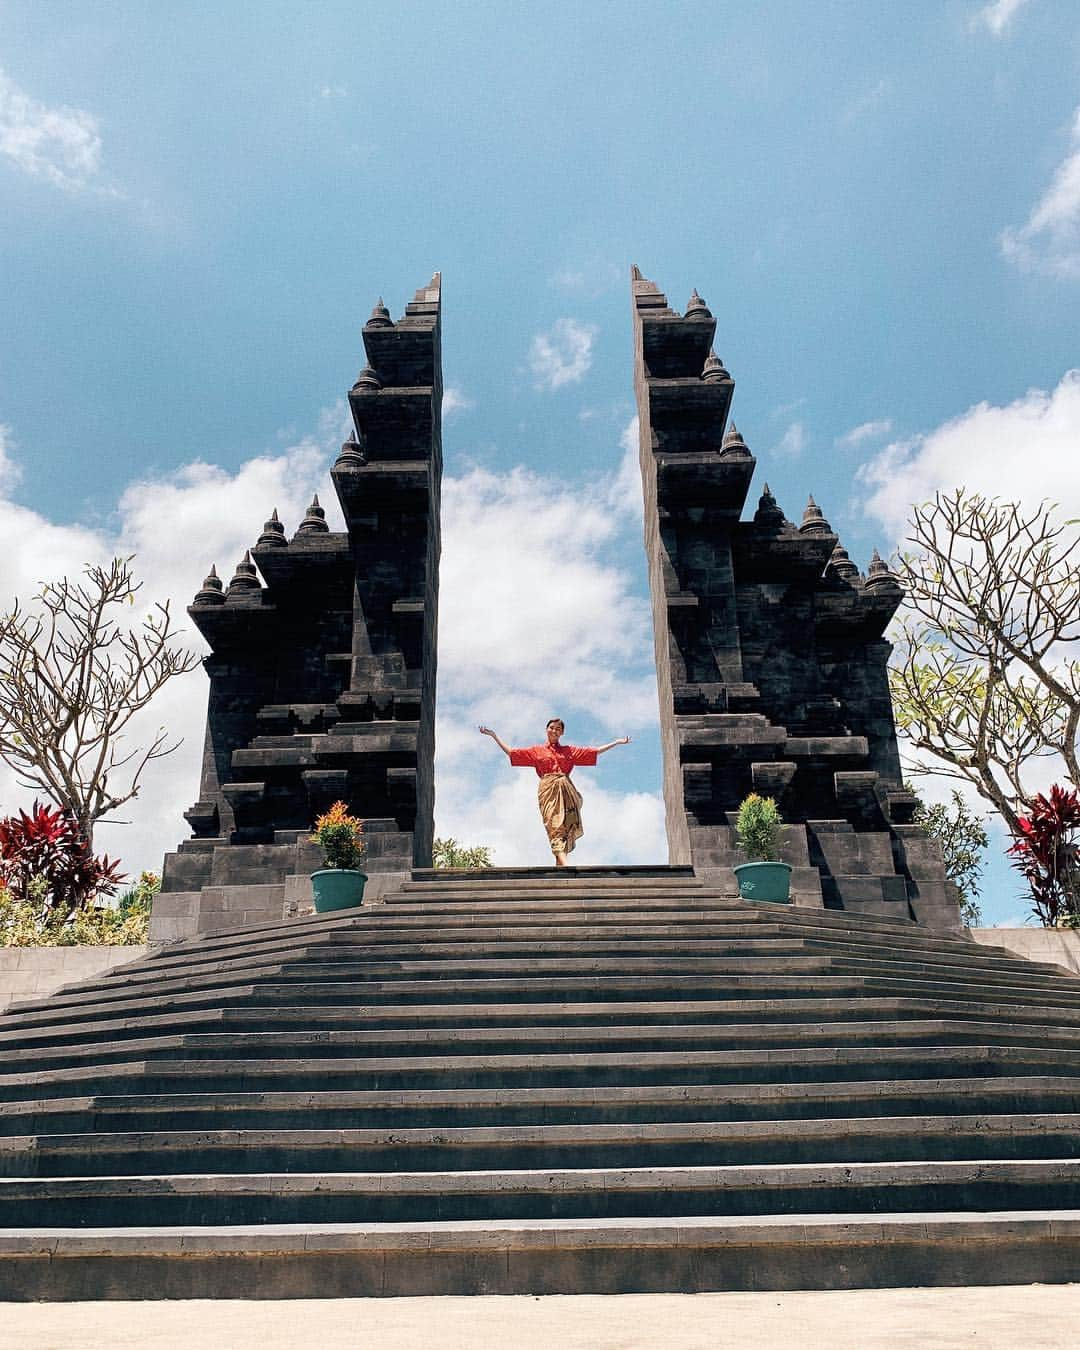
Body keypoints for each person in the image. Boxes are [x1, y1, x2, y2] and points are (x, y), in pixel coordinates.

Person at [478, 718, 631, 866]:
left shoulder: (568, 751)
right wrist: (494, 737)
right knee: (554, 825)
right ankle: (565, 866)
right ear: (546, 730)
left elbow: (594, 752)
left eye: (558, 729)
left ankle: (560, 865)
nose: (554, 731)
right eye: (552, 728)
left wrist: (616, 743)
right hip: (548, 790)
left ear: (562, 733)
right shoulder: (537, 751)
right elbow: (512, 753)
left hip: (565, 790)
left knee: (565, 826)